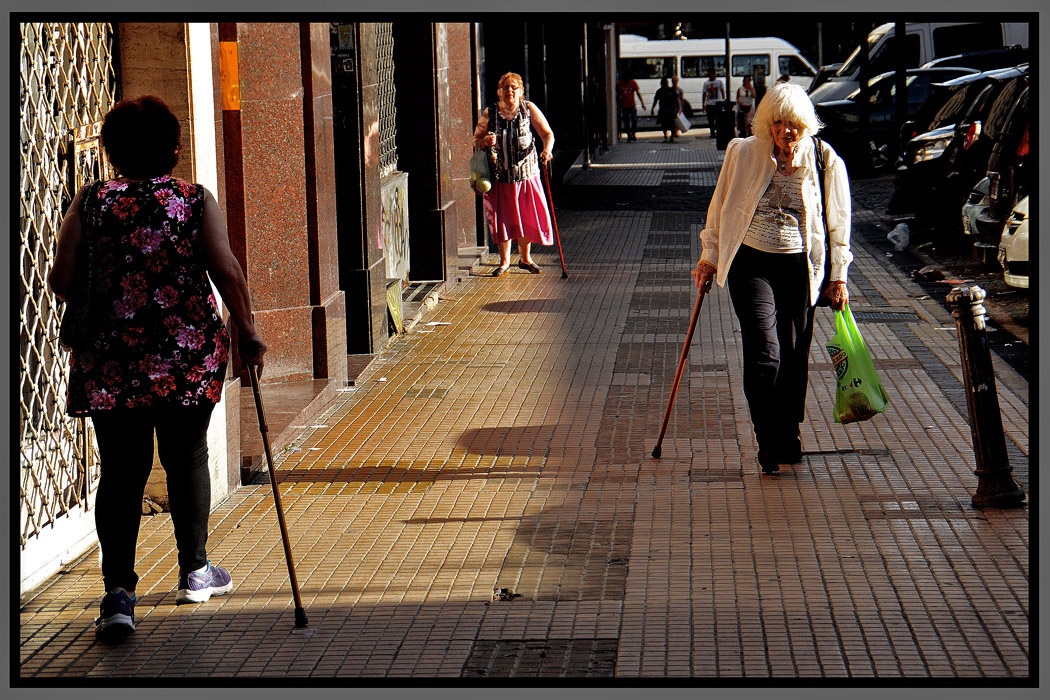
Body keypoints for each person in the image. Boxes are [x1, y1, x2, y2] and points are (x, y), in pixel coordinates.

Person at [48, 95, 267, 642]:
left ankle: (117, 595)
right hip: (185, 353)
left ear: (112, 151)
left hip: (111, 357)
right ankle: (195, 571)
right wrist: (248, 331)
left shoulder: (92, 201)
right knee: (185, 455)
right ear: (173, 148)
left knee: (121, 470)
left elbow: (60, 278)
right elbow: (227, 270)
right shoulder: (193, 200)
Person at [690, 81, 852, 476]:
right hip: (750, 263)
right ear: (767, 124)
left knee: (794, 356)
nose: (786, 132)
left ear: (805, 125)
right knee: (765, 350)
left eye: (793, 124)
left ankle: (788, 431)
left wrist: (838, 277)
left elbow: (838, 223)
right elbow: (720, 207)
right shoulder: (743, 152)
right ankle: (766, 438)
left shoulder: (825, 161)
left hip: (799, 267)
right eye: (778, 123)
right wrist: (709, 257)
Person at [473, 72, 556, 277]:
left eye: (514, 87)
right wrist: (484, 142)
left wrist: (547, 150)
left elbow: (547, 134)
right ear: (499, 92)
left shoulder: (528, 109)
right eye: (505, 87)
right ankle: (504, 262)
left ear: (520, 91)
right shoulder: (489, 113)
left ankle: (525, 258)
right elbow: (475, 139)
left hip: (526, 175)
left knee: (526, 216)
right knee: (503, 218)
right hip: (500, 177)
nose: (509, 91)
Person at [616, 71, 645, 142]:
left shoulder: (633, 83)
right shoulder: (619, 84)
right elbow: (618, 95)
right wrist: (618, 105)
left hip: (632, 104)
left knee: (634, 119)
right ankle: (629, 135)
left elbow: (638, 93)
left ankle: (633, 133)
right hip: (624, 105)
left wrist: (642, 103)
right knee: (626, 121)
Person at [651, 77, 680, 143]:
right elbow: (676, 100)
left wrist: (652, 109)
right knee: (670, 124)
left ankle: (667, 137)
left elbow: (655, 101)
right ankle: (670, 137)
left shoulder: (662, 91)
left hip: (666, 110)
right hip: (668, 110)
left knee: (665, 124)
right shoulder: (669, 90)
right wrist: (678, 108)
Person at [701, 69, 725, 138]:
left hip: (717, 103)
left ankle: (718, 132)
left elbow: (722, 91)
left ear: (714, 74)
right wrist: (703, 104)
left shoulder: (719, 82)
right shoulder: (706, 83)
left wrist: (723, 100)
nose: (709, 75)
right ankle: (712, 133)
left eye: (710, 74)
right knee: (710, 120)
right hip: (709, 104)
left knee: (718, 120)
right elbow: (704, 93)